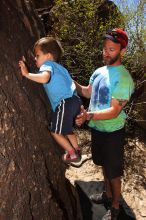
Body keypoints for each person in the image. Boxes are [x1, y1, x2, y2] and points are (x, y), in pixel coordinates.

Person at [75, 28, 134, 220]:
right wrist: (69, 81)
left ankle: (116, 206)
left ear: (122, 51)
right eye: (104, 48)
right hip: (98, 130)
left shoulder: (123, 78)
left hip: (113, 133)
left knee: (114, 173)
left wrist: (88, 116)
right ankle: (107, 195)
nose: (105, 52)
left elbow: (114, 111)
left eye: (111, 49)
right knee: (103, 166)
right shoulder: (99, 71)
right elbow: (87, 92)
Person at [19, 37, 81, 163]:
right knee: (67, 129)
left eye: (37, 55)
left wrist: (27, 74)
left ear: (48, 56)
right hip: (74, 100)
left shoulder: (47, 65)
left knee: (55, 132)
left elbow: (44, 78)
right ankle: (77, 149)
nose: (35, 58)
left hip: (64, 102)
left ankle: (72, 153)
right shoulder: (61, 69)